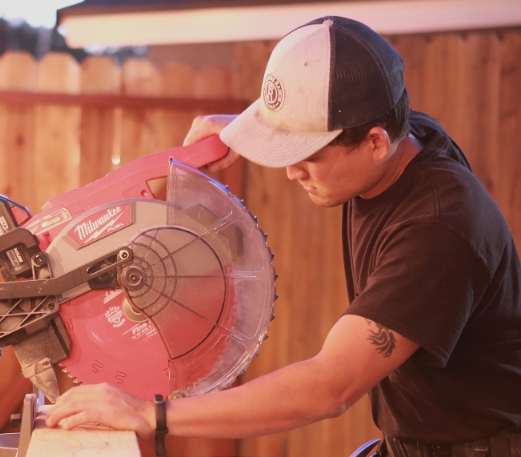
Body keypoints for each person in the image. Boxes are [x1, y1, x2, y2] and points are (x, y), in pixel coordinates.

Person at [45, 16, 521, 456]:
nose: (292, 171)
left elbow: (328, 387)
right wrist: (250, 134)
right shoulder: (408, 134)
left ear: (376, 142)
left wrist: (150, 414)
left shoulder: (438, 229)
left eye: (307, 153)